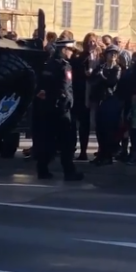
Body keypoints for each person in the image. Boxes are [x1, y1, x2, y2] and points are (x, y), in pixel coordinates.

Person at [33, 38, 84, 182]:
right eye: (70, 50)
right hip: (61, 109)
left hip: (48, 108)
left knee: (48, 140)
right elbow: (65, 88)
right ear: (64, 50)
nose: (72, 53)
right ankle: (69, 172)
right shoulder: (64, 66)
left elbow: (42, 86)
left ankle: (42, 169)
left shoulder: (48, 64)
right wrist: (68, 104)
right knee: (67, 141)